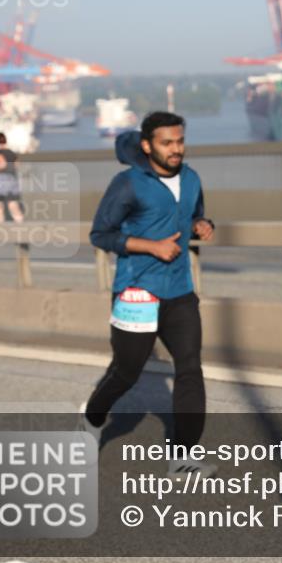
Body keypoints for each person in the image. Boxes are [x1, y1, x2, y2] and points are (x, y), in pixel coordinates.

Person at [81, 111, 216, 478]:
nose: (176, 150)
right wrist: (150, 246)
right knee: (127, 373)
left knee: (190, 369)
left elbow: (193, 215)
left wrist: (202, 225)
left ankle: (183, 456)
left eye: (180, 141)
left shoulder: (191, 178)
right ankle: (92, 419)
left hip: (180, 291)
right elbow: (100, 234)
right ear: (147, 145)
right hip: (137, 291)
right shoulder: (128, 184)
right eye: (167, 143)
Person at [0, 132, 25, 223]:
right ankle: (20, 223)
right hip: (13, 179)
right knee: (12, 203)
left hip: (2, 180)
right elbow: (16, 165)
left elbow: (2, 164)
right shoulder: (12, 153)